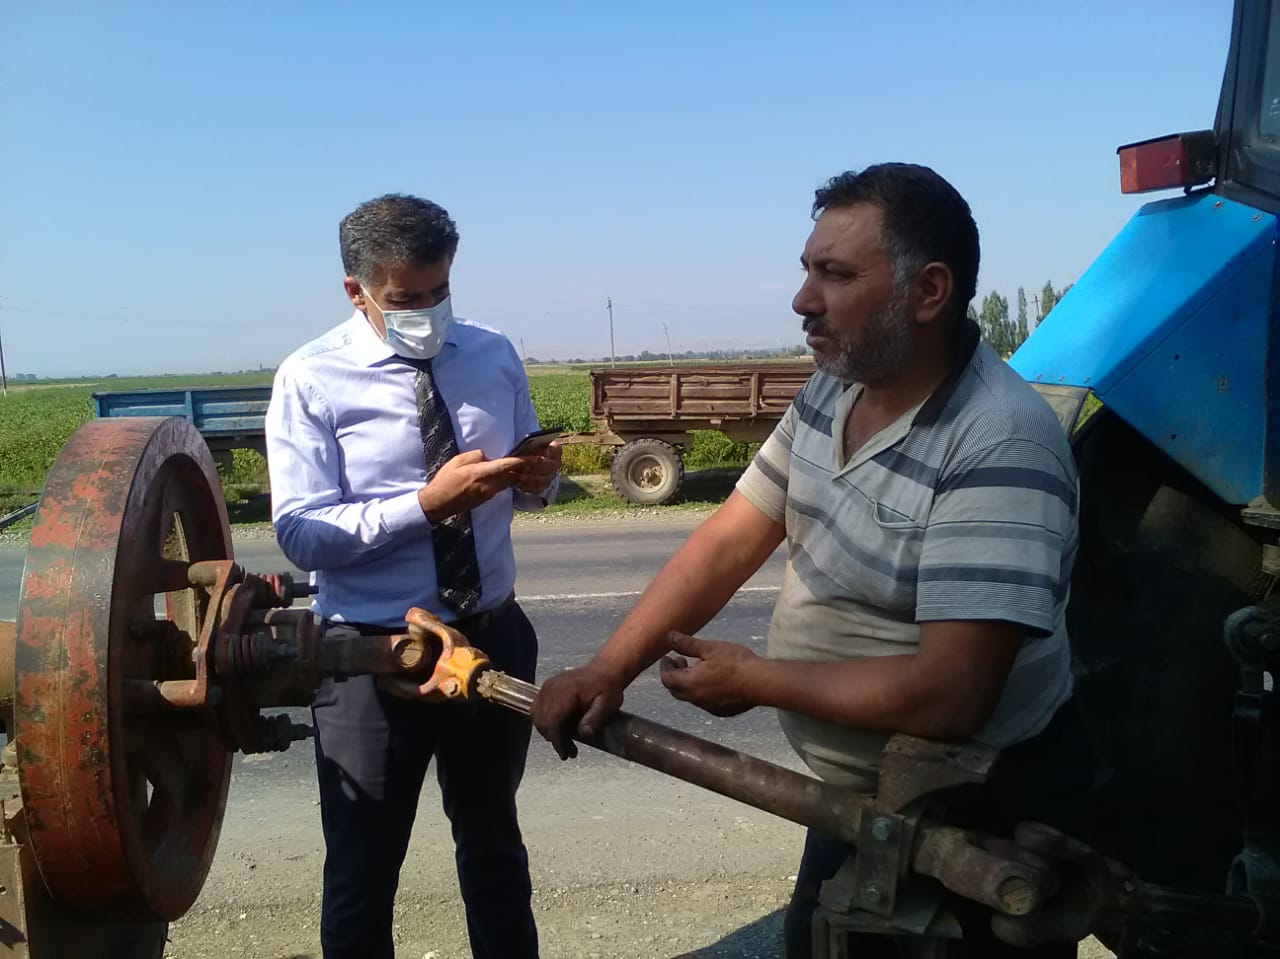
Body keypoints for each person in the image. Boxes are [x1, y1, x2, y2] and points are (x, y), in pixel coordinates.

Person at [531, 163, 1089, 958]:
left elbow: (952, 694)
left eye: (835, 273)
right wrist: (608, 668)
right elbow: (730, 538)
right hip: (860, 799)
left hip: (971, 813)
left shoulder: (998, 442)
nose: (802, 299)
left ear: (928, 292)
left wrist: (758, 680)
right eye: (806, 269)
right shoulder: (836, 389)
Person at [265, 193, 559, 959]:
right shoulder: (311, 378)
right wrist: (425, 506)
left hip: (491, 636)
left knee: (495, 849)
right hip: (371, 657)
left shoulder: (492, 353)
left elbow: (528, 478)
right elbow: (301, 533)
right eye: (404, 299)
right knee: (362, 872)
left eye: (440, 290)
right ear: (356, 290)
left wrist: (537, 478)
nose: (427, 312)